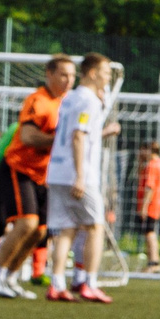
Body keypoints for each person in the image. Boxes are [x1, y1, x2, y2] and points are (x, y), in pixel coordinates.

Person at [0, 55, 72, 300]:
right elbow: (28, 137)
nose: (68, 80)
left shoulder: (66, 103)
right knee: (27, 224)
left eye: (72, 75)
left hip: (43, 175)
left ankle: (10, 277)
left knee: (39, 232)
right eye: (63, 74)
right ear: (49, 74)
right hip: (19, 168)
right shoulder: (38, 100)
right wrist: (60, 141)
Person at [44, 55, 113, 303]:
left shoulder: (70, 97)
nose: (109, 77)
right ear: (93, 73)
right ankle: (89, 283)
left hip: (57, 170)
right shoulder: (88, 100)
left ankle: (57, 283)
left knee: (67, 228)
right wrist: (80, 176)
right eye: (106, 72)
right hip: (77, 173)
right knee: (96, 227)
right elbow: (78, 136)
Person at [134, 140, 160, 271]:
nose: (140, 153)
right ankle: (153, 262)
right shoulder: (159, 164)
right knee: (149, 232)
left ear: (148, 150)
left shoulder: (152, 165)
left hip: (150, 204)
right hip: (155, 203)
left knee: (149, 233)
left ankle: (154, 263)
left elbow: (149, 187)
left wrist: (144, 207)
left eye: (142, 150)